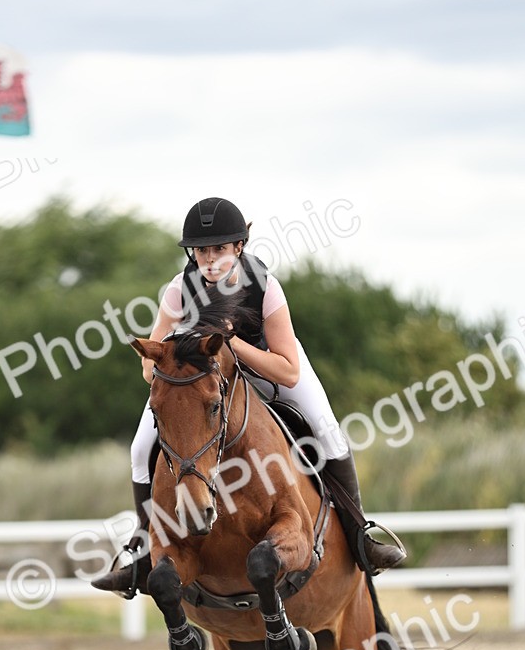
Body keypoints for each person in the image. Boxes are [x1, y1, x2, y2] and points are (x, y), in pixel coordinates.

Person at [93, 196, 406, 597]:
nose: (209, 259)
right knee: (140, 448)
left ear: (239, 246)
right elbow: (148, 367)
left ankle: (360, 535)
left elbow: (288, 369)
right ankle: (142, 546)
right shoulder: (178, 290)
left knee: (327, 431)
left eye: (219, 249)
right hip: (204, 379)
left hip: (269, 369)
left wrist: (231, 345)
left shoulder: (265, 287)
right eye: (202, 250)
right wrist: (178, 356)